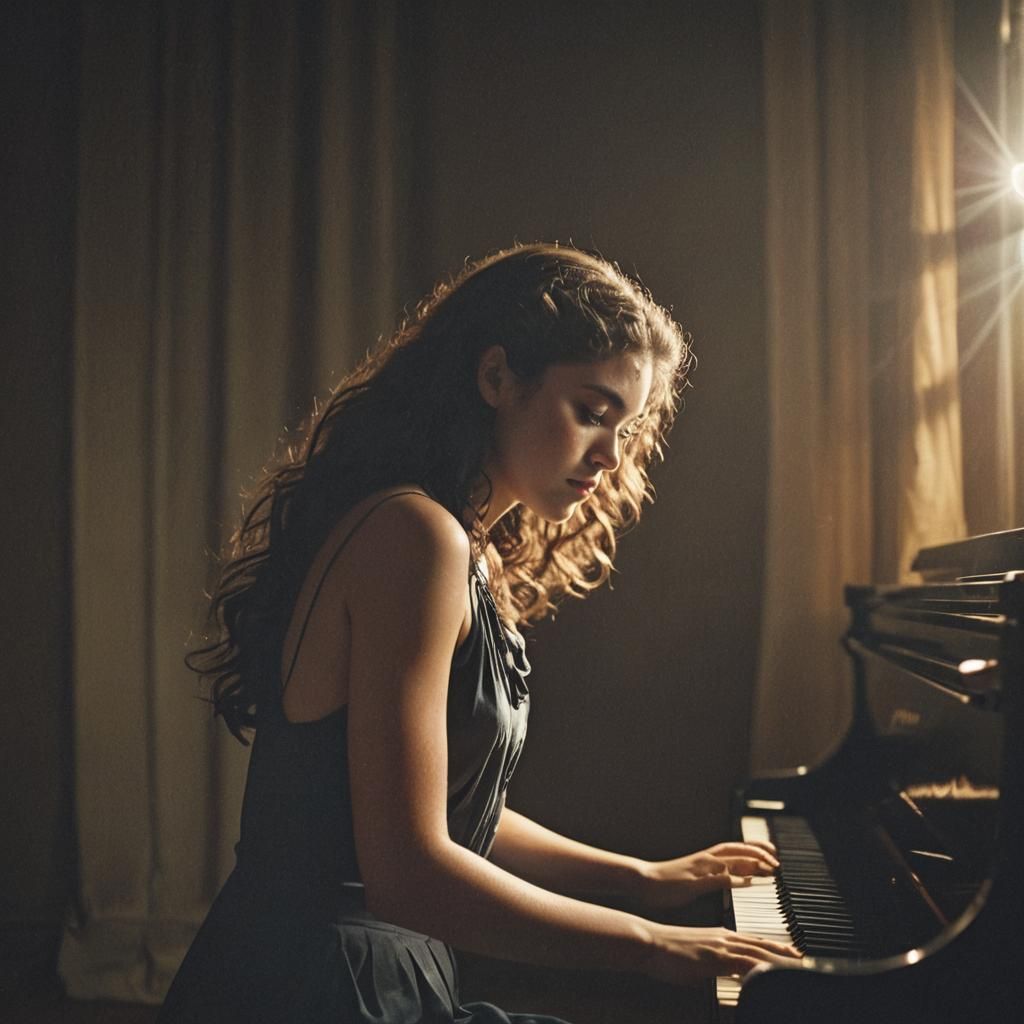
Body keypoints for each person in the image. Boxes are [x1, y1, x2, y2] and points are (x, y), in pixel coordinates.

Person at [158, 242, 800, 1023]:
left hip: (379, 966)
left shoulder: (461, 547)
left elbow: (454, 814)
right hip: (316, 984)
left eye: (623, 430)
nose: (607, 456)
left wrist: (641, 876)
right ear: (496, 377)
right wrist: (649, 944)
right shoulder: (413, 536)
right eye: (591, 413)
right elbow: (410, 873)